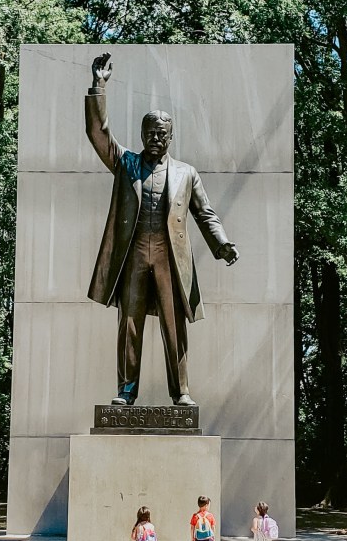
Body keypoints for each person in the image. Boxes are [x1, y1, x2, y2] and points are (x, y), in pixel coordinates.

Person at [85, 52, 240, 407]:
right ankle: (126, 391)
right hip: (134, 254)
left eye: (162, 133)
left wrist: (222, 244)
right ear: (141, 134)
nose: (155, 138)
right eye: (150, 132)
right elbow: (98, 133)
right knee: (130, 325)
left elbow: (205, 213)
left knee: (174, 325)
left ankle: (181, 391)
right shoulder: (126, 163)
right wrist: (99, 85)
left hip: (171, 259)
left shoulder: (187, 173)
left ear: (171, 137)